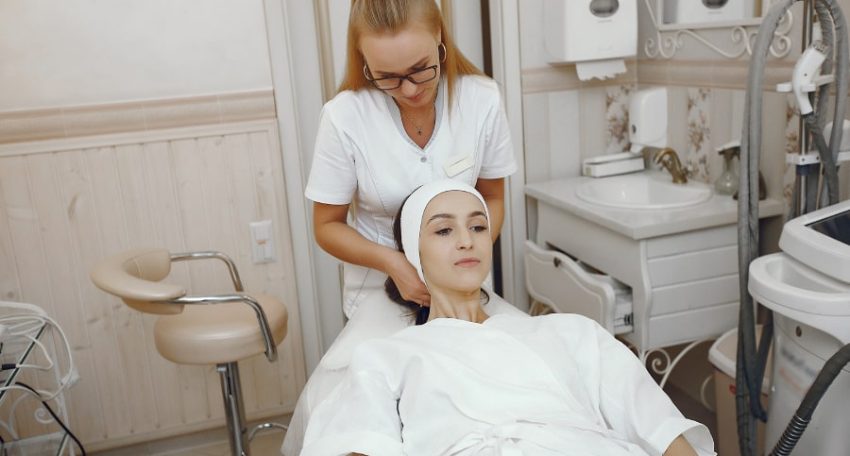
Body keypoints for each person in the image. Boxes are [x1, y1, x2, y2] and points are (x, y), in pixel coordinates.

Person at [301, 180, 715, 456]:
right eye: (443, 231)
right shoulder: (385, 356)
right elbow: (360, 441)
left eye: (478, 227)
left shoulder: (572, 332)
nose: (466, 241)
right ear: (413, 251)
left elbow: (659, 428)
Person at [305, 0, 517, 319]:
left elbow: (493, 198)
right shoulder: (344, 117)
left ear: (438, 35)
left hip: (462, 289)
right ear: (365, 62)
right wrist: (393, 263)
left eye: (420, 69)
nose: (408, 89)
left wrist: (463, 260)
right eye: (387, 77)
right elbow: (326, 226)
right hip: (380, 292)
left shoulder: (482, 99)